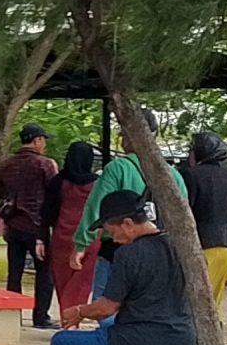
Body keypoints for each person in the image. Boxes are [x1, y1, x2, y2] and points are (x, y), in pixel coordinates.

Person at [48, 191, 196, 345]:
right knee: (112, 329)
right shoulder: (179, 246)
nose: (114, 240)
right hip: (181, 342)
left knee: (62, 344)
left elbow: (106, 307)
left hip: (140, 342)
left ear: (128, 224)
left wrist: (79, 311)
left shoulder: (129, 254)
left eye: (112, 231)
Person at [73, 120, 186, 298]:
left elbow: (96, 208)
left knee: (106, 301)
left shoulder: (118, 168)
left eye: (123, 134)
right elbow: (183, 217)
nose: (121, 139)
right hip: (159, 251)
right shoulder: (172, 174)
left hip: (116, 249)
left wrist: (81, 245)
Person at [0, 125, 59, 327]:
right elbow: (54, 196)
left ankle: (12, 316)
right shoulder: (45, 164)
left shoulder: (5, 166)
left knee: (14, 272)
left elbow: (2, 193)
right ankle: (40, 317)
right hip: (37, 226)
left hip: (13, 224)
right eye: (43, 140)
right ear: (37, 140)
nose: (44, 144)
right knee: (44, 273)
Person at [180, 131, 227, 302]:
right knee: (213, 304)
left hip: (201, 246)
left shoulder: (191, 175)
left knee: (193, 303)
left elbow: (186, 215)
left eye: (191, 150)